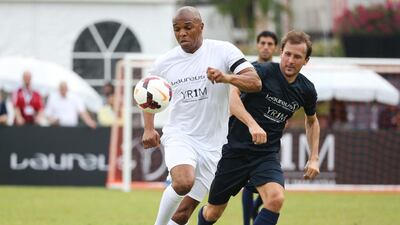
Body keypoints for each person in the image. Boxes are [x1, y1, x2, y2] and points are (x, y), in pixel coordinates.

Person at [142, 6, 261, 225]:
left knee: (183, 214)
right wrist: (149, 128)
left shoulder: (223, 51)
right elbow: (146, 92)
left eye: (187, 27)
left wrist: (226, 78)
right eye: (176, 29)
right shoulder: (165, 62)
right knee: (183, 182)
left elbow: (255, 82)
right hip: (181, 134)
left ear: (201, 27)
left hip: (214, 145)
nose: (182, 33)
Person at [198, 30, 321, 225]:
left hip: (265, 155)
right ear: (281, 52)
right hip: (235, 151)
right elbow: (233, 97)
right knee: (213, 213)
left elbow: (312, 121)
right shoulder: (261, 71)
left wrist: (314, 157)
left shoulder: (306, 90)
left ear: (306, 61)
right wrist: (252, 124)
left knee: (276, 198)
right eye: (287, 54)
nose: (290, 60)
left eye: (297, 57)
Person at [242, 30, 279, 225]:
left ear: (275, 47)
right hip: (247, 133)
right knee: (248, 185)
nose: (265, 46)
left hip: (271, 137)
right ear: (257, 45)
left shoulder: (280, 73)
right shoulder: (248, 70)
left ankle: (257, 212)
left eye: (269, 43)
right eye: (262, 42)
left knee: (270, 185)